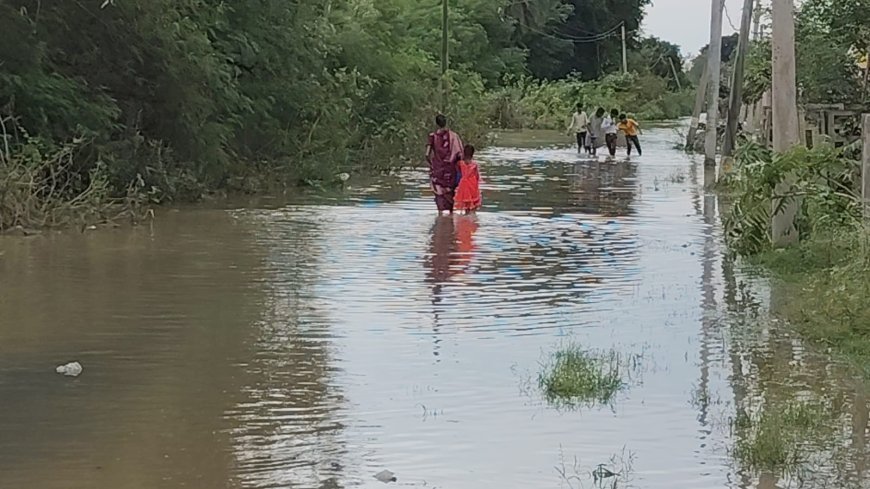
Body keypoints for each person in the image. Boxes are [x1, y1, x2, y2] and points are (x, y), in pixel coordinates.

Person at [426, 114, 464, 214]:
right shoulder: (454, 136)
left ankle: (440, 214)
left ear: (436, 123)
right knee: (450, 191)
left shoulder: (432, 136)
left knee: (439, 192)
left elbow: (427, 155)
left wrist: (431, 165)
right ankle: (451, 214)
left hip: (437, 169)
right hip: (450, 170)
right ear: (446, 122)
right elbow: (459, 154)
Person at [454, 145, 482, 214]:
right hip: (472, 184)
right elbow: (477, 176)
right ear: (473, 154)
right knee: (473, 203)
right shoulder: (474, 164)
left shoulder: (460, 163)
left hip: (463, 184)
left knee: (466, 202)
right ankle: (471, 219)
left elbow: (457, 172)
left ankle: (466, 217)